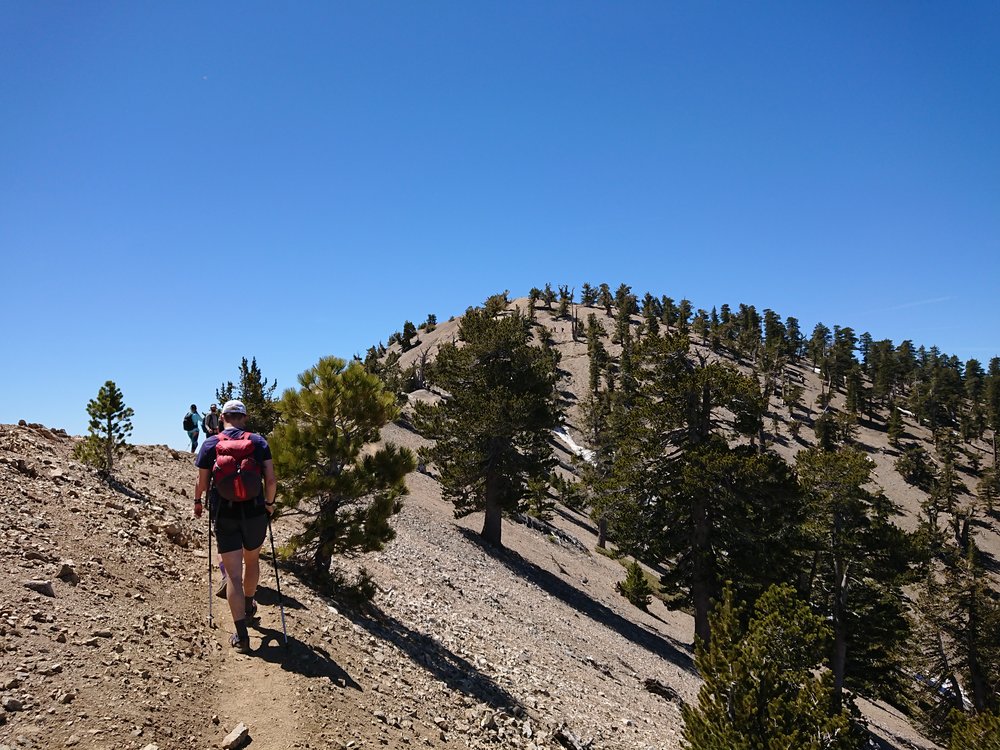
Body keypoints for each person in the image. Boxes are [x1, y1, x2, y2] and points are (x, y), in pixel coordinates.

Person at [193, 400, 277, 653]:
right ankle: (250, 606)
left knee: (233, 575)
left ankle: (241, 636)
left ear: (223, 418)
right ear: (244, 418)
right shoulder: (258, 442)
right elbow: (270, 479)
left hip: (225, 514)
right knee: (252, 562)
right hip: (254, 512)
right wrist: (269, 504)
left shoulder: (210, 444)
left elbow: (203, 483)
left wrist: (198, 503)